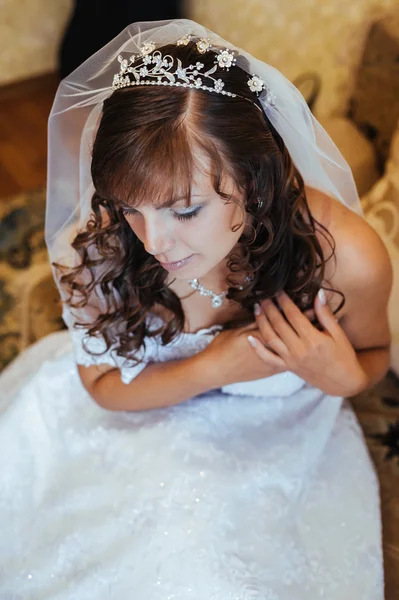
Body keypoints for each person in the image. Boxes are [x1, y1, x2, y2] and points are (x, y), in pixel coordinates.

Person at [0, 18, 393, 599]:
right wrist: (219, 365)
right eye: (132, 207)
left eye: (185, 210)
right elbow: (103, 385)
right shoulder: (104, 246)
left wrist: (348, 375)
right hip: (130, 424)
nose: (155, 242)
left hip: (275, 450)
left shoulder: (346, 257)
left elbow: (375, 351)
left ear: (254, 181)